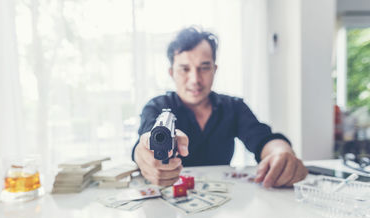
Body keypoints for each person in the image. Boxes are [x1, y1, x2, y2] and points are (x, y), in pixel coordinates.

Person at [132, 26, 308, 187]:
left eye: (204, 68)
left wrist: (281, 153)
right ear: (171, 73)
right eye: (184, 69)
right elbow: (143, 143)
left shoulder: (234, 107)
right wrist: (143, 156)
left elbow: (263, 139)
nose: (195, 80)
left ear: (214, 70)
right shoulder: (156, 107)